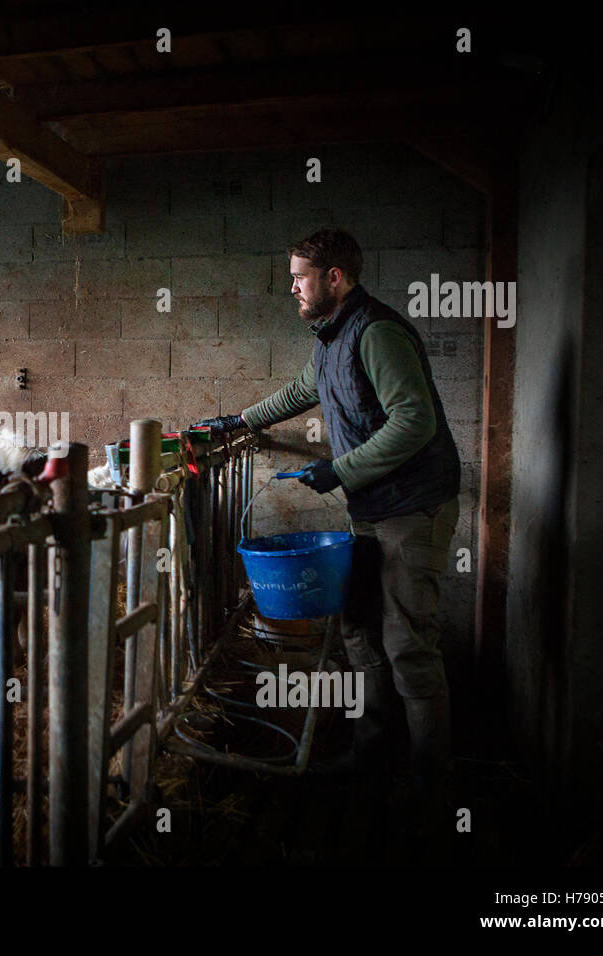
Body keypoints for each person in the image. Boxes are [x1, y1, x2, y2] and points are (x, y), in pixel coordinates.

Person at [195, 228, 461, 863]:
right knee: (359, 631)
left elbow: (414, 421)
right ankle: (371, 754)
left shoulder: (376, 333)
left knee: (407, 644)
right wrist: (239, 421)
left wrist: (337, 470)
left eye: (300, 276)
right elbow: (298, 392)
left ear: (335, 278)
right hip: (372, 508)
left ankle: (433, 788)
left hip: (412, 509)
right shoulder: (330, 340)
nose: (292, 286)